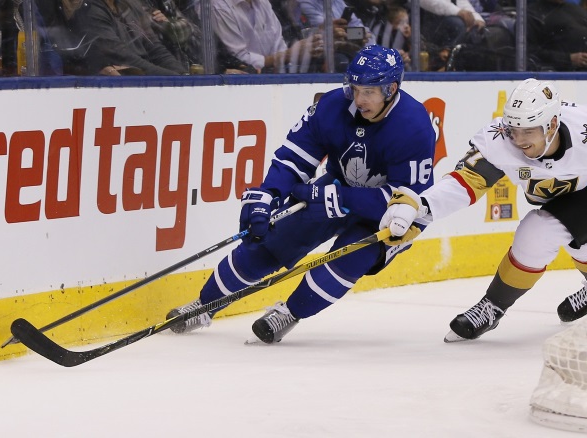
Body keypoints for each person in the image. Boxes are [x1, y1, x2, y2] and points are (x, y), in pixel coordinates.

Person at [166, 45, 436, 344]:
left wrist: (340, 198)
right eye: (355, 88)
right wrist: (267, 194)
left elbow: (408, 197)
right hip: (338, 186)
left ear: (391, 89)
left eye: (369, 92)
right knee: (271, 242)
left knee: (350, 256)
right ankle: (205, 305)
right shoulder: (332, 107)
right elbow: (293, 159)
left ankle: (290, 313)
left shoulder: (413, 125)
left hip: (396, 213)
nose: (359, 100)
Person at [379, 78, 587, 342]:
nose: (519, 140)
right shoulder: (501, 139)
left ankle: (494, 304)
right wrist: (421, 205)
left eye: (528, 131)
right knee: (571, 236)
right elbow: (467, 180)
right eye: (514, 129)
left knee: (539, 232)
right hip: (563, 200)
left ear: (552, 125)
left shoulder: (583, 131)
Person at [69, 0, 187, 75]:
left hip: (145, 81)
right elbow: (124, 58)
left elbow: (155, 48)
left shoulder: (130, 5)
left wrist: (182, 75)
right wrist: (173, 77)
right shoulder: (90, 10)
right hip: (120, 89)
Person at [527, 0, 587, 71]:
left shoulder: (577, 10)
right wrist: (568, 59)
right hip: (557, 75)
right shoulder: (533, 14)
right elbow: (530, 52)